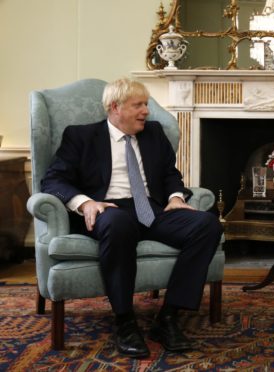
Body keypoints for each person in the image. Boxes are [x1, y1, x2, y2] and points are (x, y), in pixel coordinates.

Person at [41, 78, 223, 358]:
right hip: (108, 209)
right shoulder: (81, 136)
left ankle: (169, 316)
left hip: (152, 209)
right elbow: (53, 179)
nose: (146, 111)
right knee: (119, 223)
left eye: (146, 105)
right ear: (115, 108)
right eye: (138, 105)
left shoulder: (153, 133)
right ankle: (125, 321)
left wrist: (176, 198)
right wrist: (85, 203)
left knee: (206, 224)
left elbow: (169, 174)